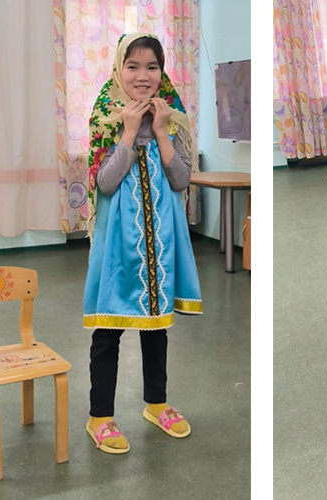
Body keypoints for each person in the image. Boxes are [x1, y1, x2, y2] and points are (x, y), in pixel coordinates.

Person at [83, 32, 203, 454]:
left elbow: (181, 179)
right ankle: (100, 416)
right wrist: (129, 132)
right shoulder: (106, 116)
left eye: (152, 66)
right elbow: (106, 182)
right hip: (119, 244)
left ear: (161, 72)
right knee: (109, 329)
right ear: (119, 69)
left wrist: (163, 132)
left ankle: (157, 404)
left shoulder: (172, 116)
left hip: (160, 243)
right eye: (132, 66)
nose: (142, 75)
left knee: (156, 326)